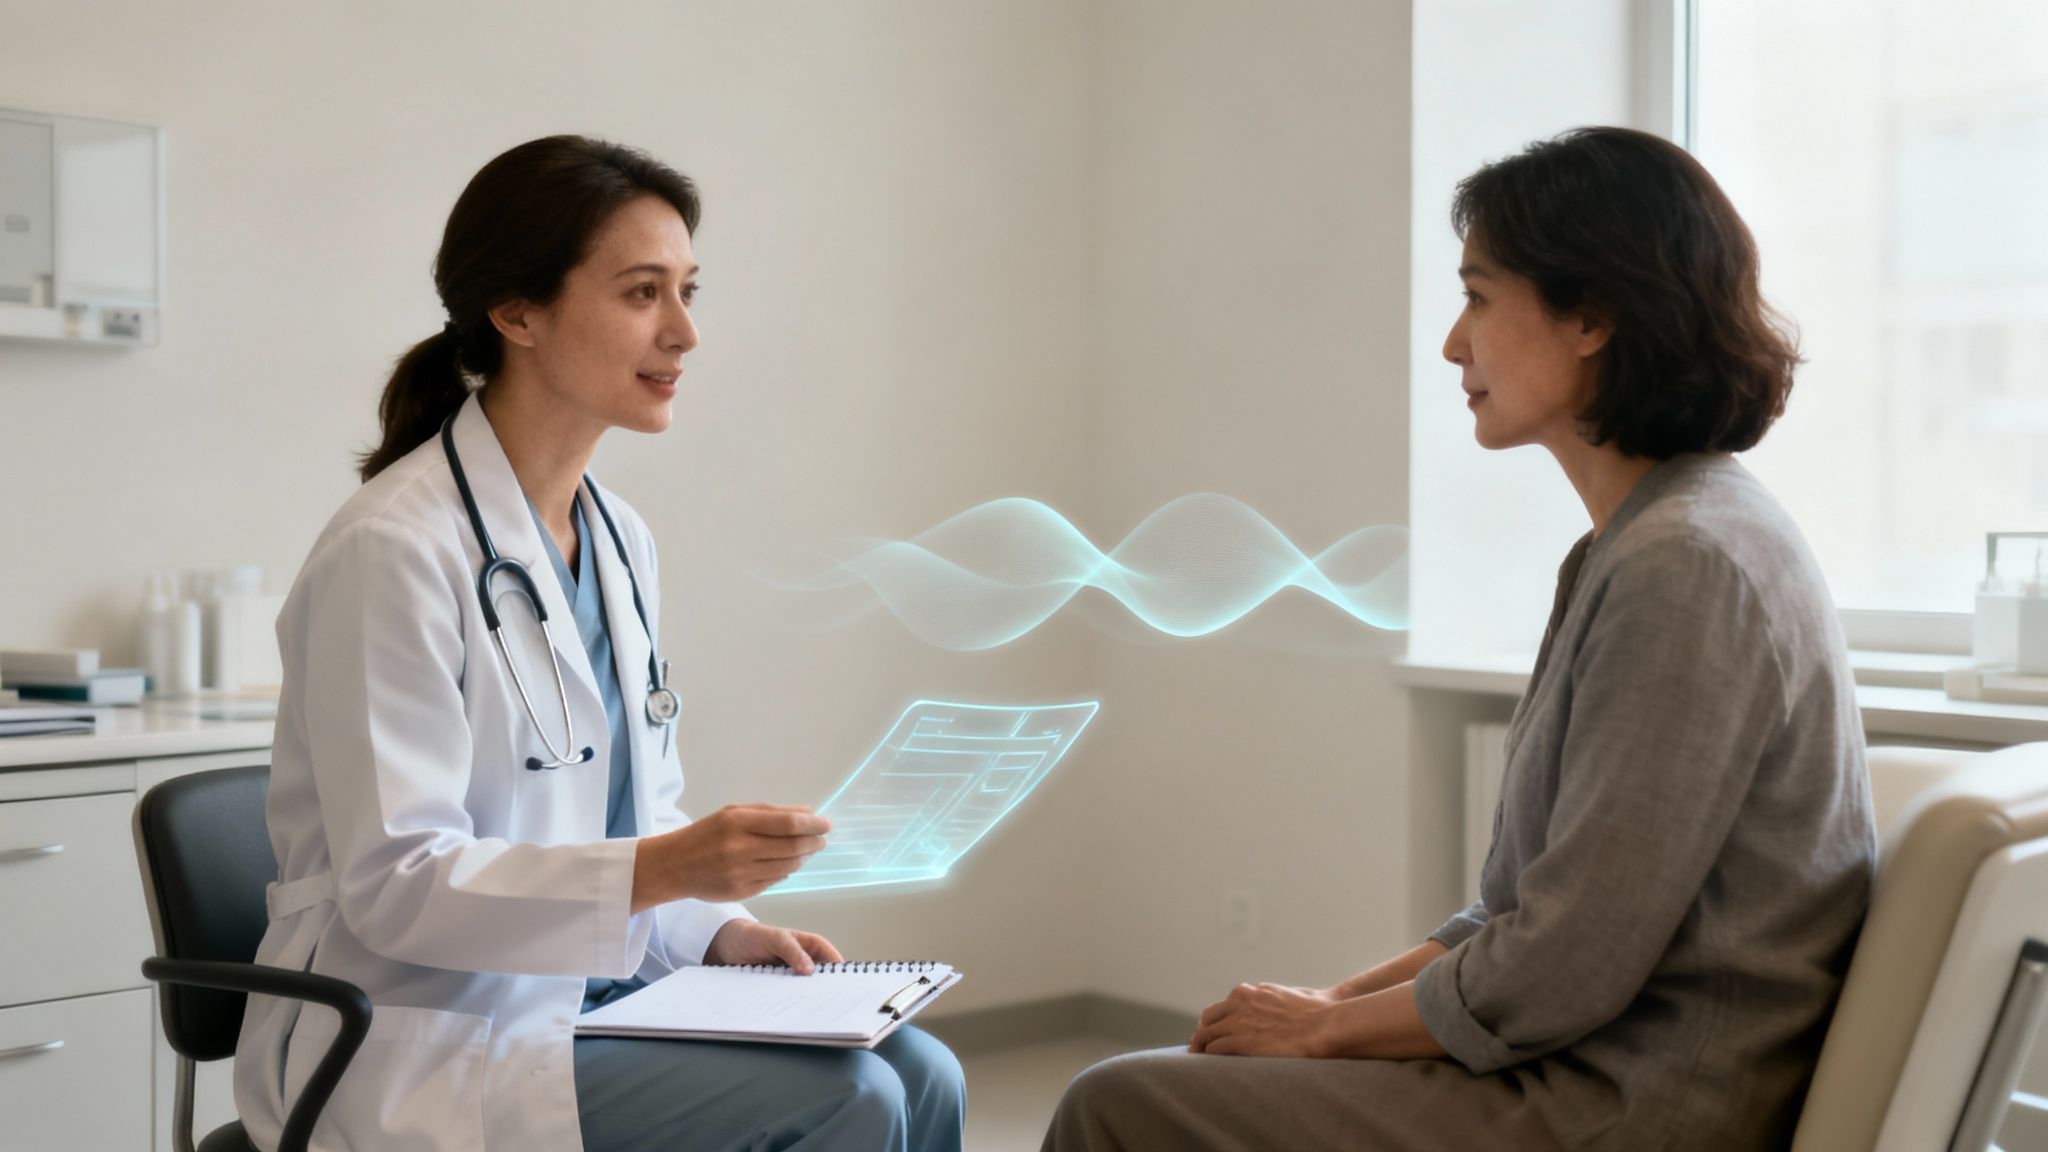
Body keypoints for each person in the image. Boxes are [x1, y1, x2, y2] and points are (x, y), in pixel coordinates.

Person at [1043, 126, 1877, 1151]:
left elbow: (1566, 958)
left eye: (1477, 297)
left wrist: (1324, 1032)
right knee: (1183, 1072)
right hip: (1588, 1063)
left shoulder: (1685, 564)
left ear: (1590, 317)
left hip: (1632, 1104)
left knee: (1117, 1103)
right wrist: (1320, 1007)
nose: (1451, 342)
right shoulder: (1645, 542)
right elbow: (1515, 915)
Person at [235, 135, 965, 1152]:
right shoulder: (392, 550)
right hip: (429, 1030)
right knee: (850, 1099)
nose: (683, 334)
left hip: (592, 1000)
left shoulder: (617, 540)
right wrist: (669, 869)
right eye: (640, 294)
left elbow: (622, 820)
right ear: (518, 311)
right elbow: (396, 889)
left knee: (917, 1069)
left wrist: (718, 931)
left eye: (687, 291)